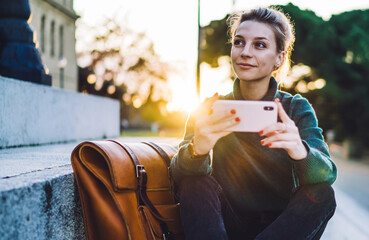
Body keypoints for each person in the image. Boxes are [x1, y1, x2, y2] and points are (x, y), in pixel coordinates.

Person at [170, 7, 337, 240]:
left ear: (279, 58)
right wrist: (198, 150)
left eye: (259, 45)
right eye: (239, 42)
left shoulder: (296, 108)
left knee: (323, 192)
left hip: (283, 226)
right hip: (223, 223)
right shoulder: (209, 108)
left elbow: (327, 175)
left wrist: (301, 151)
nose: (245, 52)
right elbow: (178, 175)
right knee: (194, 182)